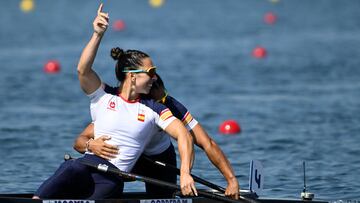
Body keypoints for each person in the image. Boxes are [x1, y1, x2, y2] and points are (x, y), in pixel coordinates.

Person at [33, 4, 197, 199]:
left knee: (110, 189)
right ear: (132, 76)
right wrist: (97, 34)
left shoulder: (155, 109)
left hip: (110, 178)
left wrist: (185, 173)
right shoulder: (103, 96)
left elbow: (184, 136)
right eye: (151, 72)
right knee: (69, 170)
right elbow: (82, 71)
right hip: (85, 166)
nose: (155, 77)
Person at [74, 74, 240, 199]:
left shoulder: (172, 107)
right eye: (158, 100)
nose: (162, 105)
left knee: (162, 198)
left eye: (165, 97)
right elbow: (79, 142)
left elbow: (207, 143)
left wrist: (231, 180)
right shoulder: (127, 108)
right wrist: (90, 145)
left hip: (160, 161)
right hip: (124, 157)